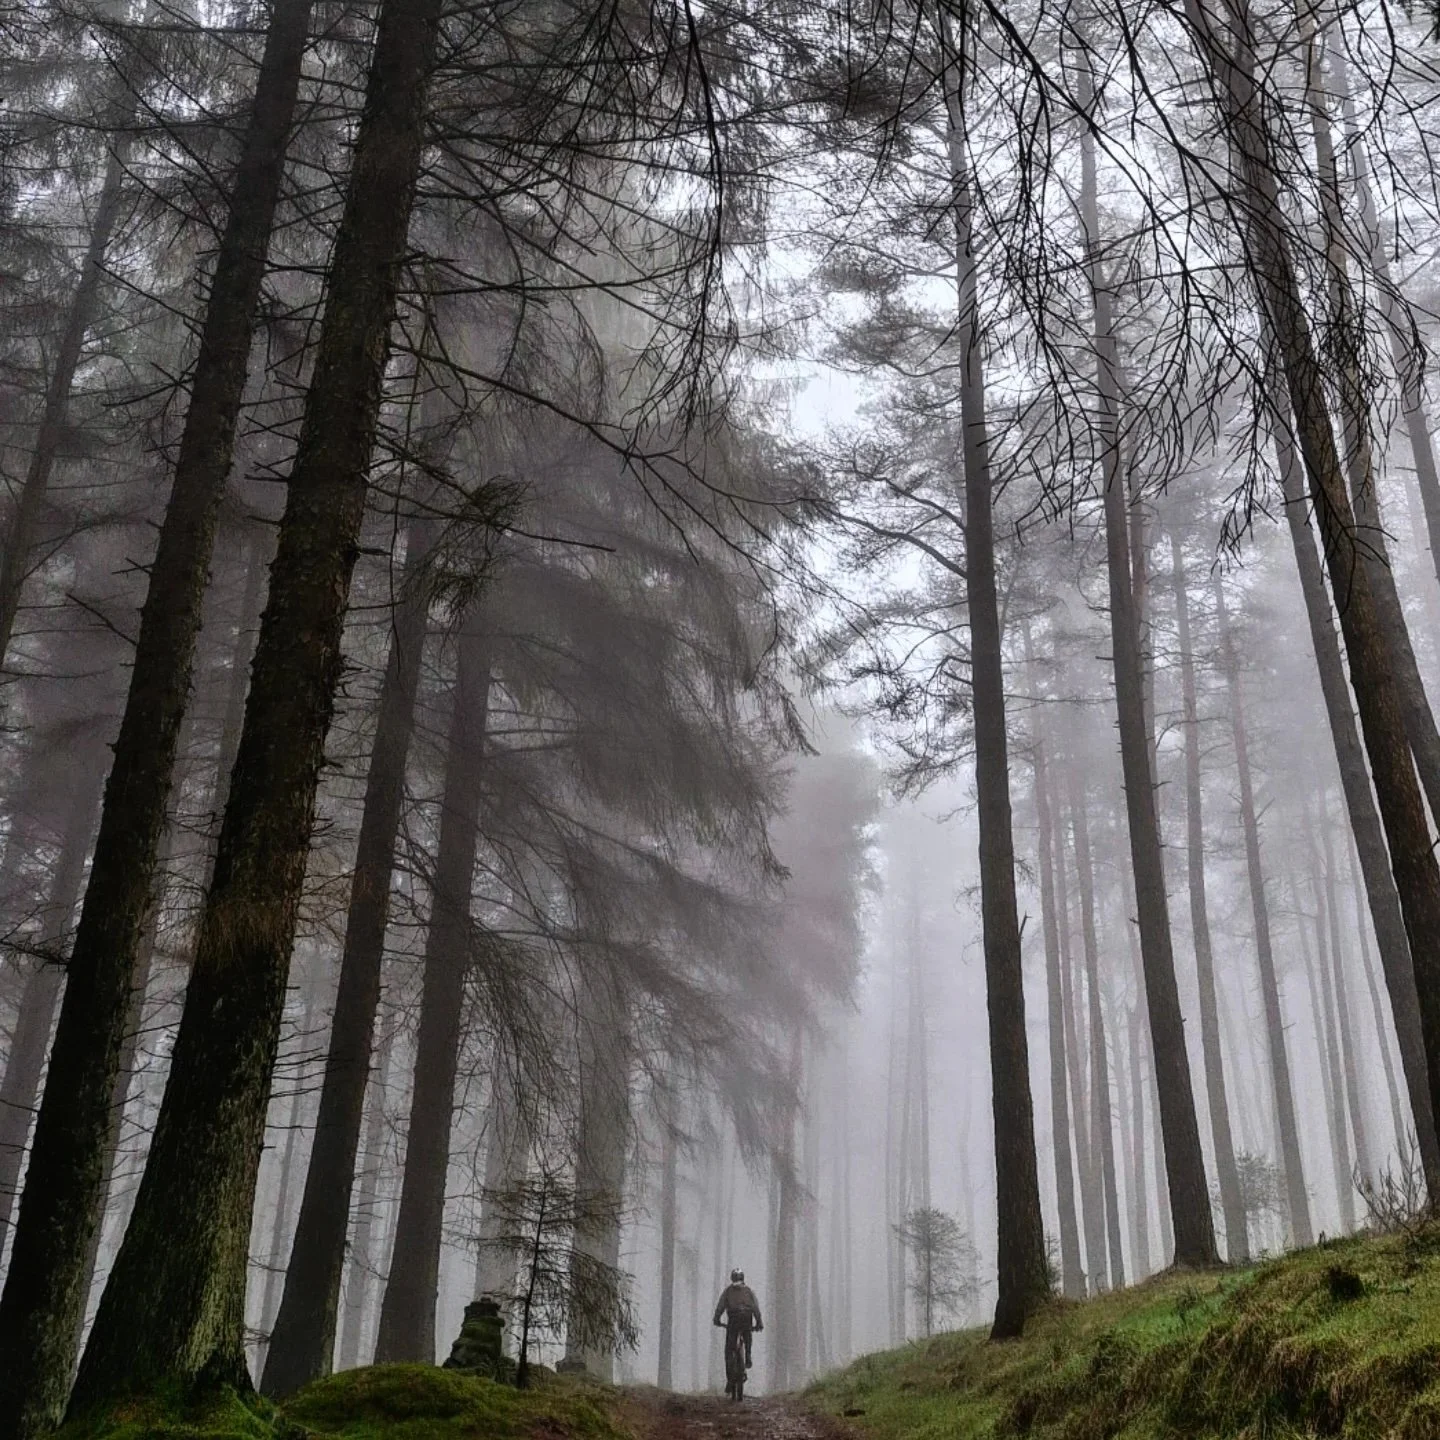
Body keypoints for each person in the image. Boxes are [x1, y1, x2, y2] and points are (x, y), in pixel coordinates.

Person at [713, 1268, 763, 1378]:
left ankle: (730, 1378)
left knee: (729, 1350)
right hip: (746, 1319)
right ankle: (748, 1355)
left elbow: (720, 1307)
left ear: (732, 1278)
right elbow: (755, 1308)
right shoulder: (749, 1291)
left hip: (733, 1321)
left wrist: (717, 1319)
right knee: (747, 1336)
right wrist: (759, 1323)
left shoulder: (728, 1291)